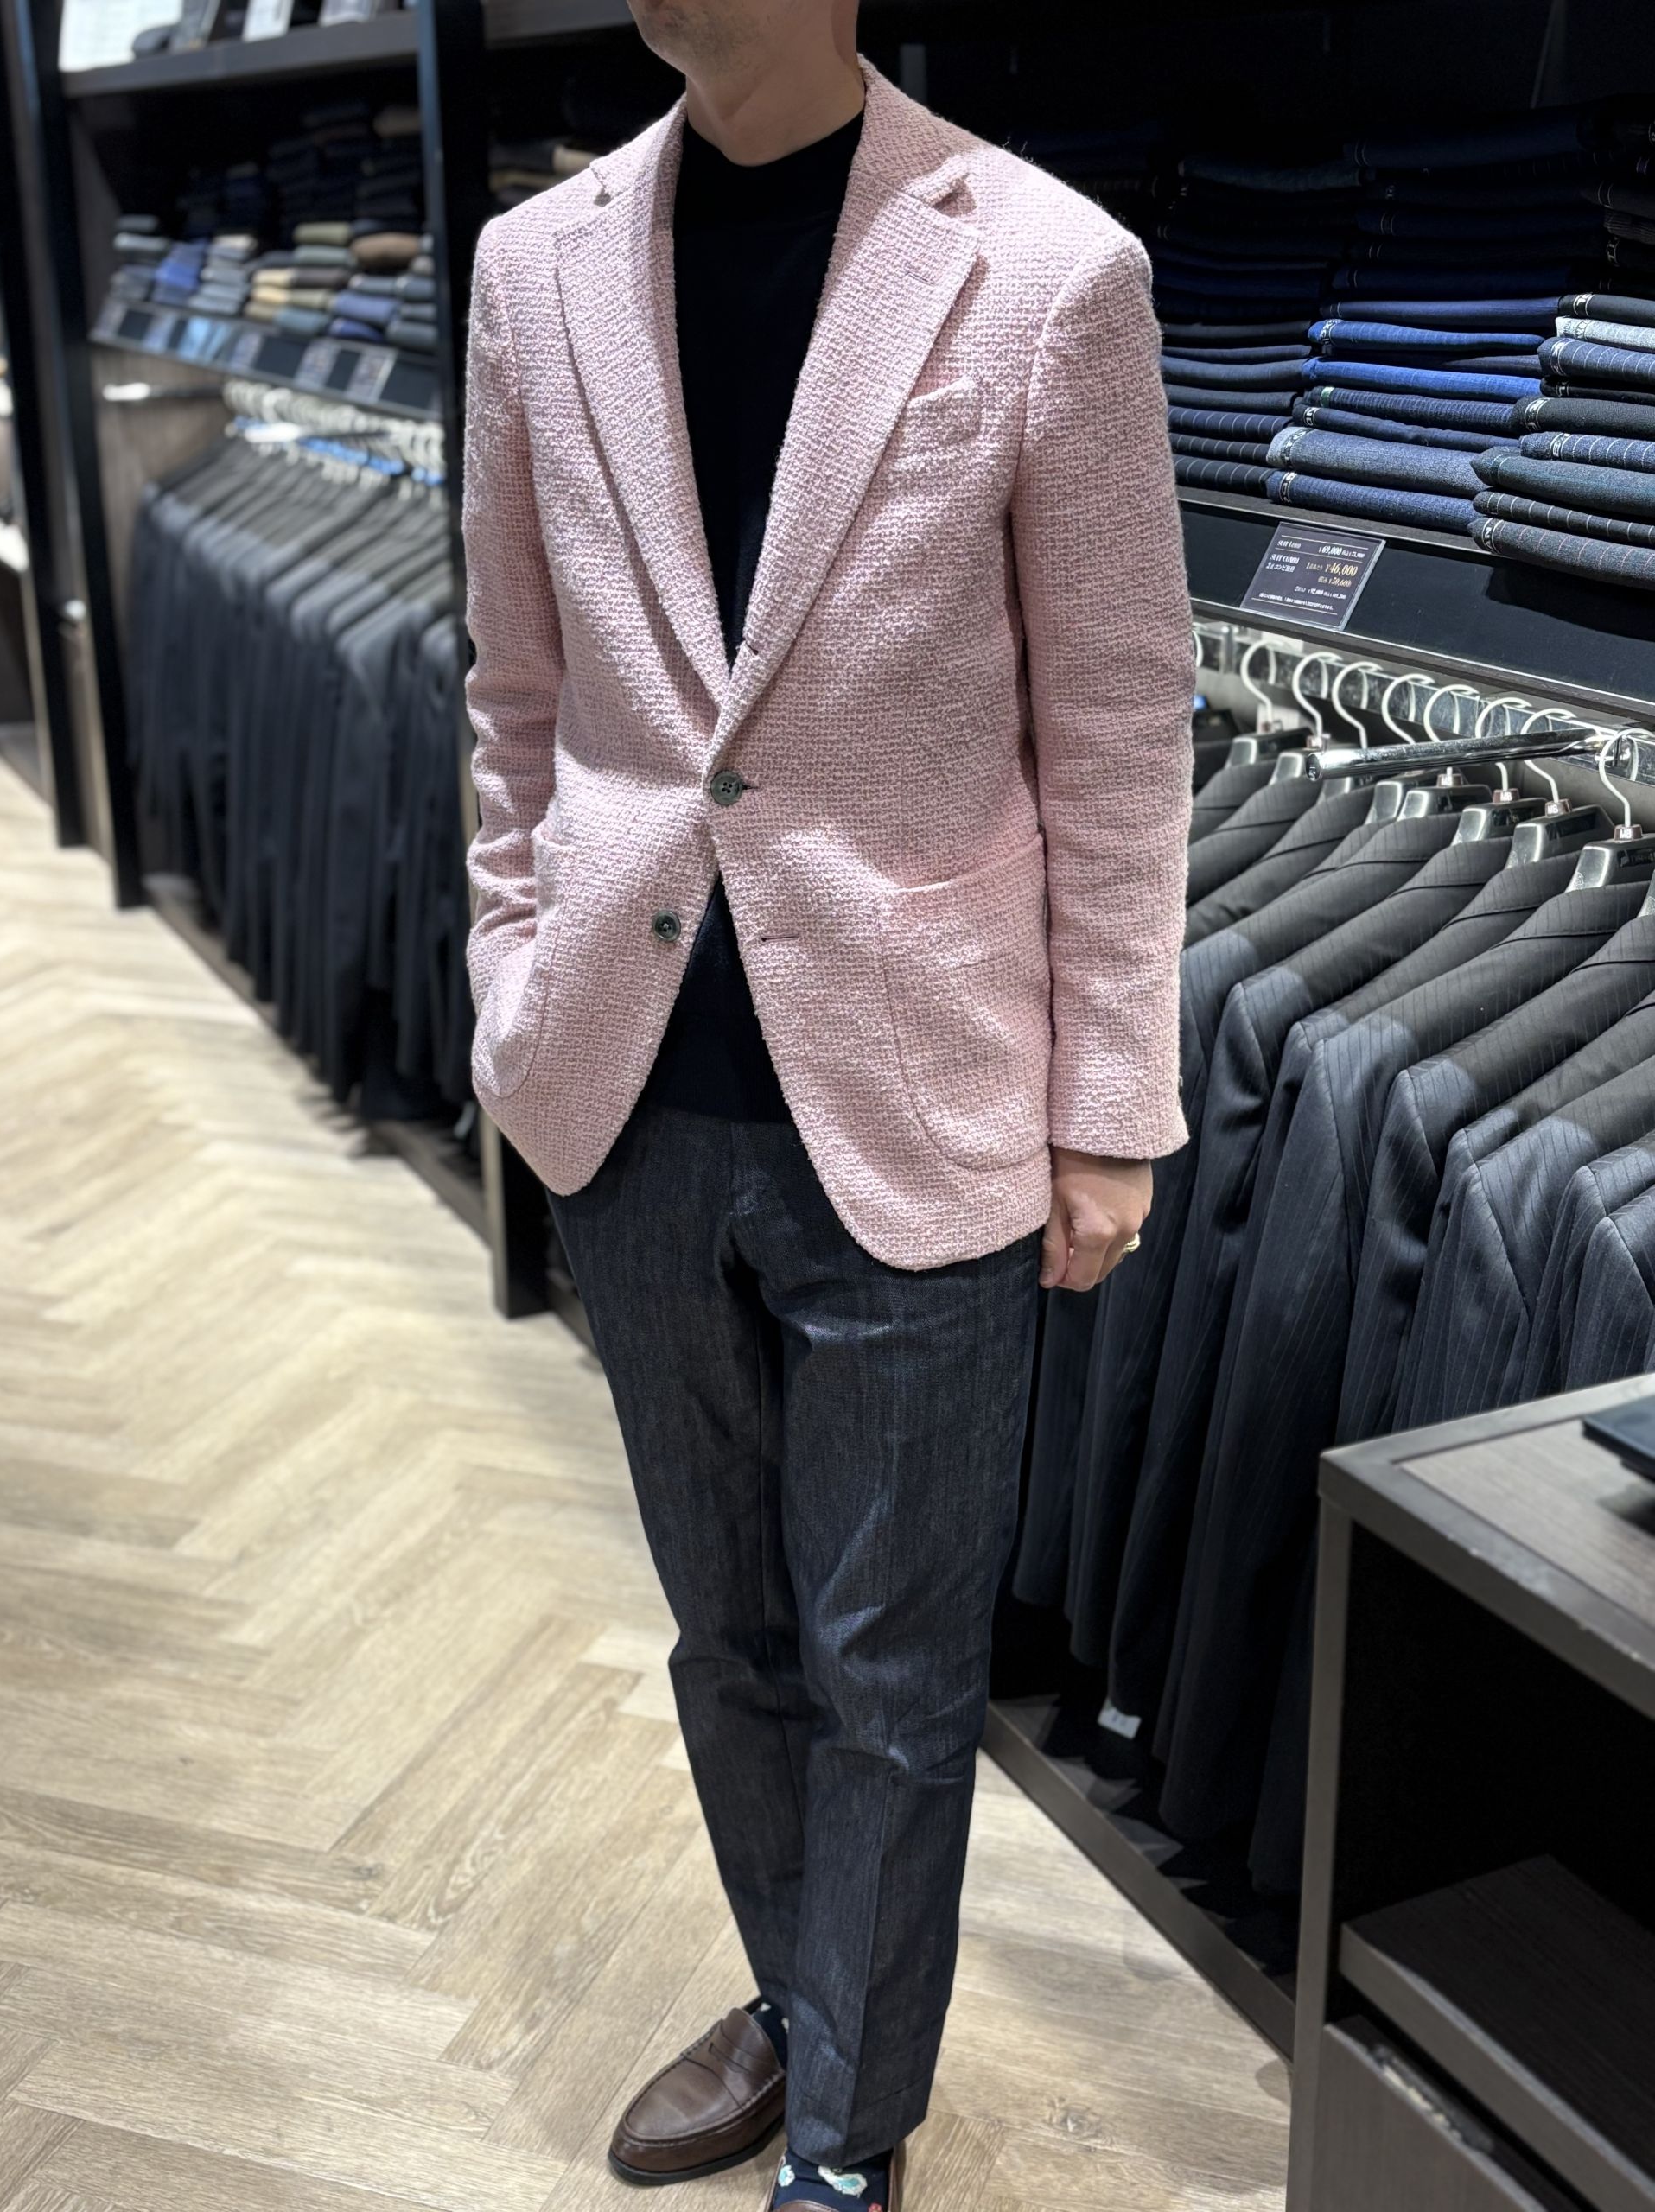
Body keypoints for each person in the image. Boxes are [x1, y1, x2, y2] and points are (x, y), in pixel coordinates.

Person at [460, 0, 1193, 2201]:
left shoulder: (1048, 267)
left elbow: (1121, 723)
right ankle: (806, 1997)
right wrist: (508, 985)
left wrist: (1109, 1100)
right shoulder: (534, 268)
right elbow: (512, 692)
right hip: (624, 1097)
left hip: (922, 1097)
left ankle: (851, 2131)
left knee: (891, 1666)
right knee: (729, 1631)